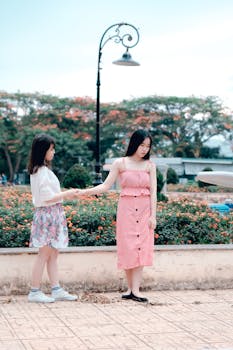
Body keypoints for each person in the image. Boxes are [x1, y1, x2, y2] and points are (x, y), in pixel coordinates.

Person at [77, 129, 157, 302]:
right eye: (142, 145)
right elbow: (105, 186)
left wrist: (153, 216)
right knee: (128, 247)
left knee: (141, 248)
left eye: (147, 146)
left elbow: (154, 192)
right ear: (134, 144)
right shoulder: (120, 163)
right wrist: (84, 192)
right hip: (126, 210)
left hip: (144, 211)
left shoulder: (150, 165)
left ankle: (136, 289)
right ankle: (130, 289)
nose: (144, 149)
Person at [27, 133, 78, 303]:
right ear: (43, 151)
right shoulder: (41, 171)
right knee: (44, 254)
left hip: (52, 214)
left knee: (53, 254)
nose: (53, 152)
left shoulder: (41, 170)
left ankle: (56, 288)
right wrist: (67, 194)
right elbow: (47, 196)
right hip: (48, 214)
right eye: (51, 149)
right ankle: (35, 291)